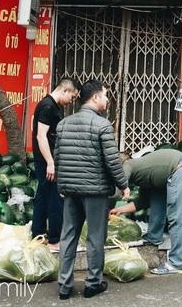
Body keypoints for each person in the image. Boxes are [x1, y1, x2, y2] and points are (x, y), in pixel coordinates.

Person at [54, 79, 130, 300]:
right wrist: (123, 186)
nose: (107, 99)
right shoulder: (102, 125)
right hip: (94, 191)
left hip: (70, 190)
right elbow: (112, 162)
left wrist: (62, 185)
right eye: (105, 95)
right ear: (95, 97)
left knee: (68, 236)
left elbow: (59, 158)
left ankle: (64, 286)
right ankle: (93, 283)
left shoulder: (64, 124)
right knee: (95, 237)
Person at [110, 148, 182, 275]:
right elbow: (143, 201)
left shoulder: (128, 165)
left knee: (177, 217)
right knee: (157, 196)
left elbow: (115, 192)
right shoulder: (143, 175)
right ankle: (154, 236)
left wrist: (105, 210)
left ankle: (177, 263)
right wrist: (119, 210)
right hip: (176, 172)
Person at [31, 77, 81, 252]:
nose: (71, 101)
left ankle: (38, 234)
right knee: (54, 200)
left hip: (44, 160)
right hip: (46, 161)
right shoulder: (48, 106)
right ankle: (54, 240)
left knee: (43, 197)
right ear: (65, 90)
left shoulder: (50, 105)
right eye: (72, 97)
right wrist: (50, 162)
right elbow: (41, 136)